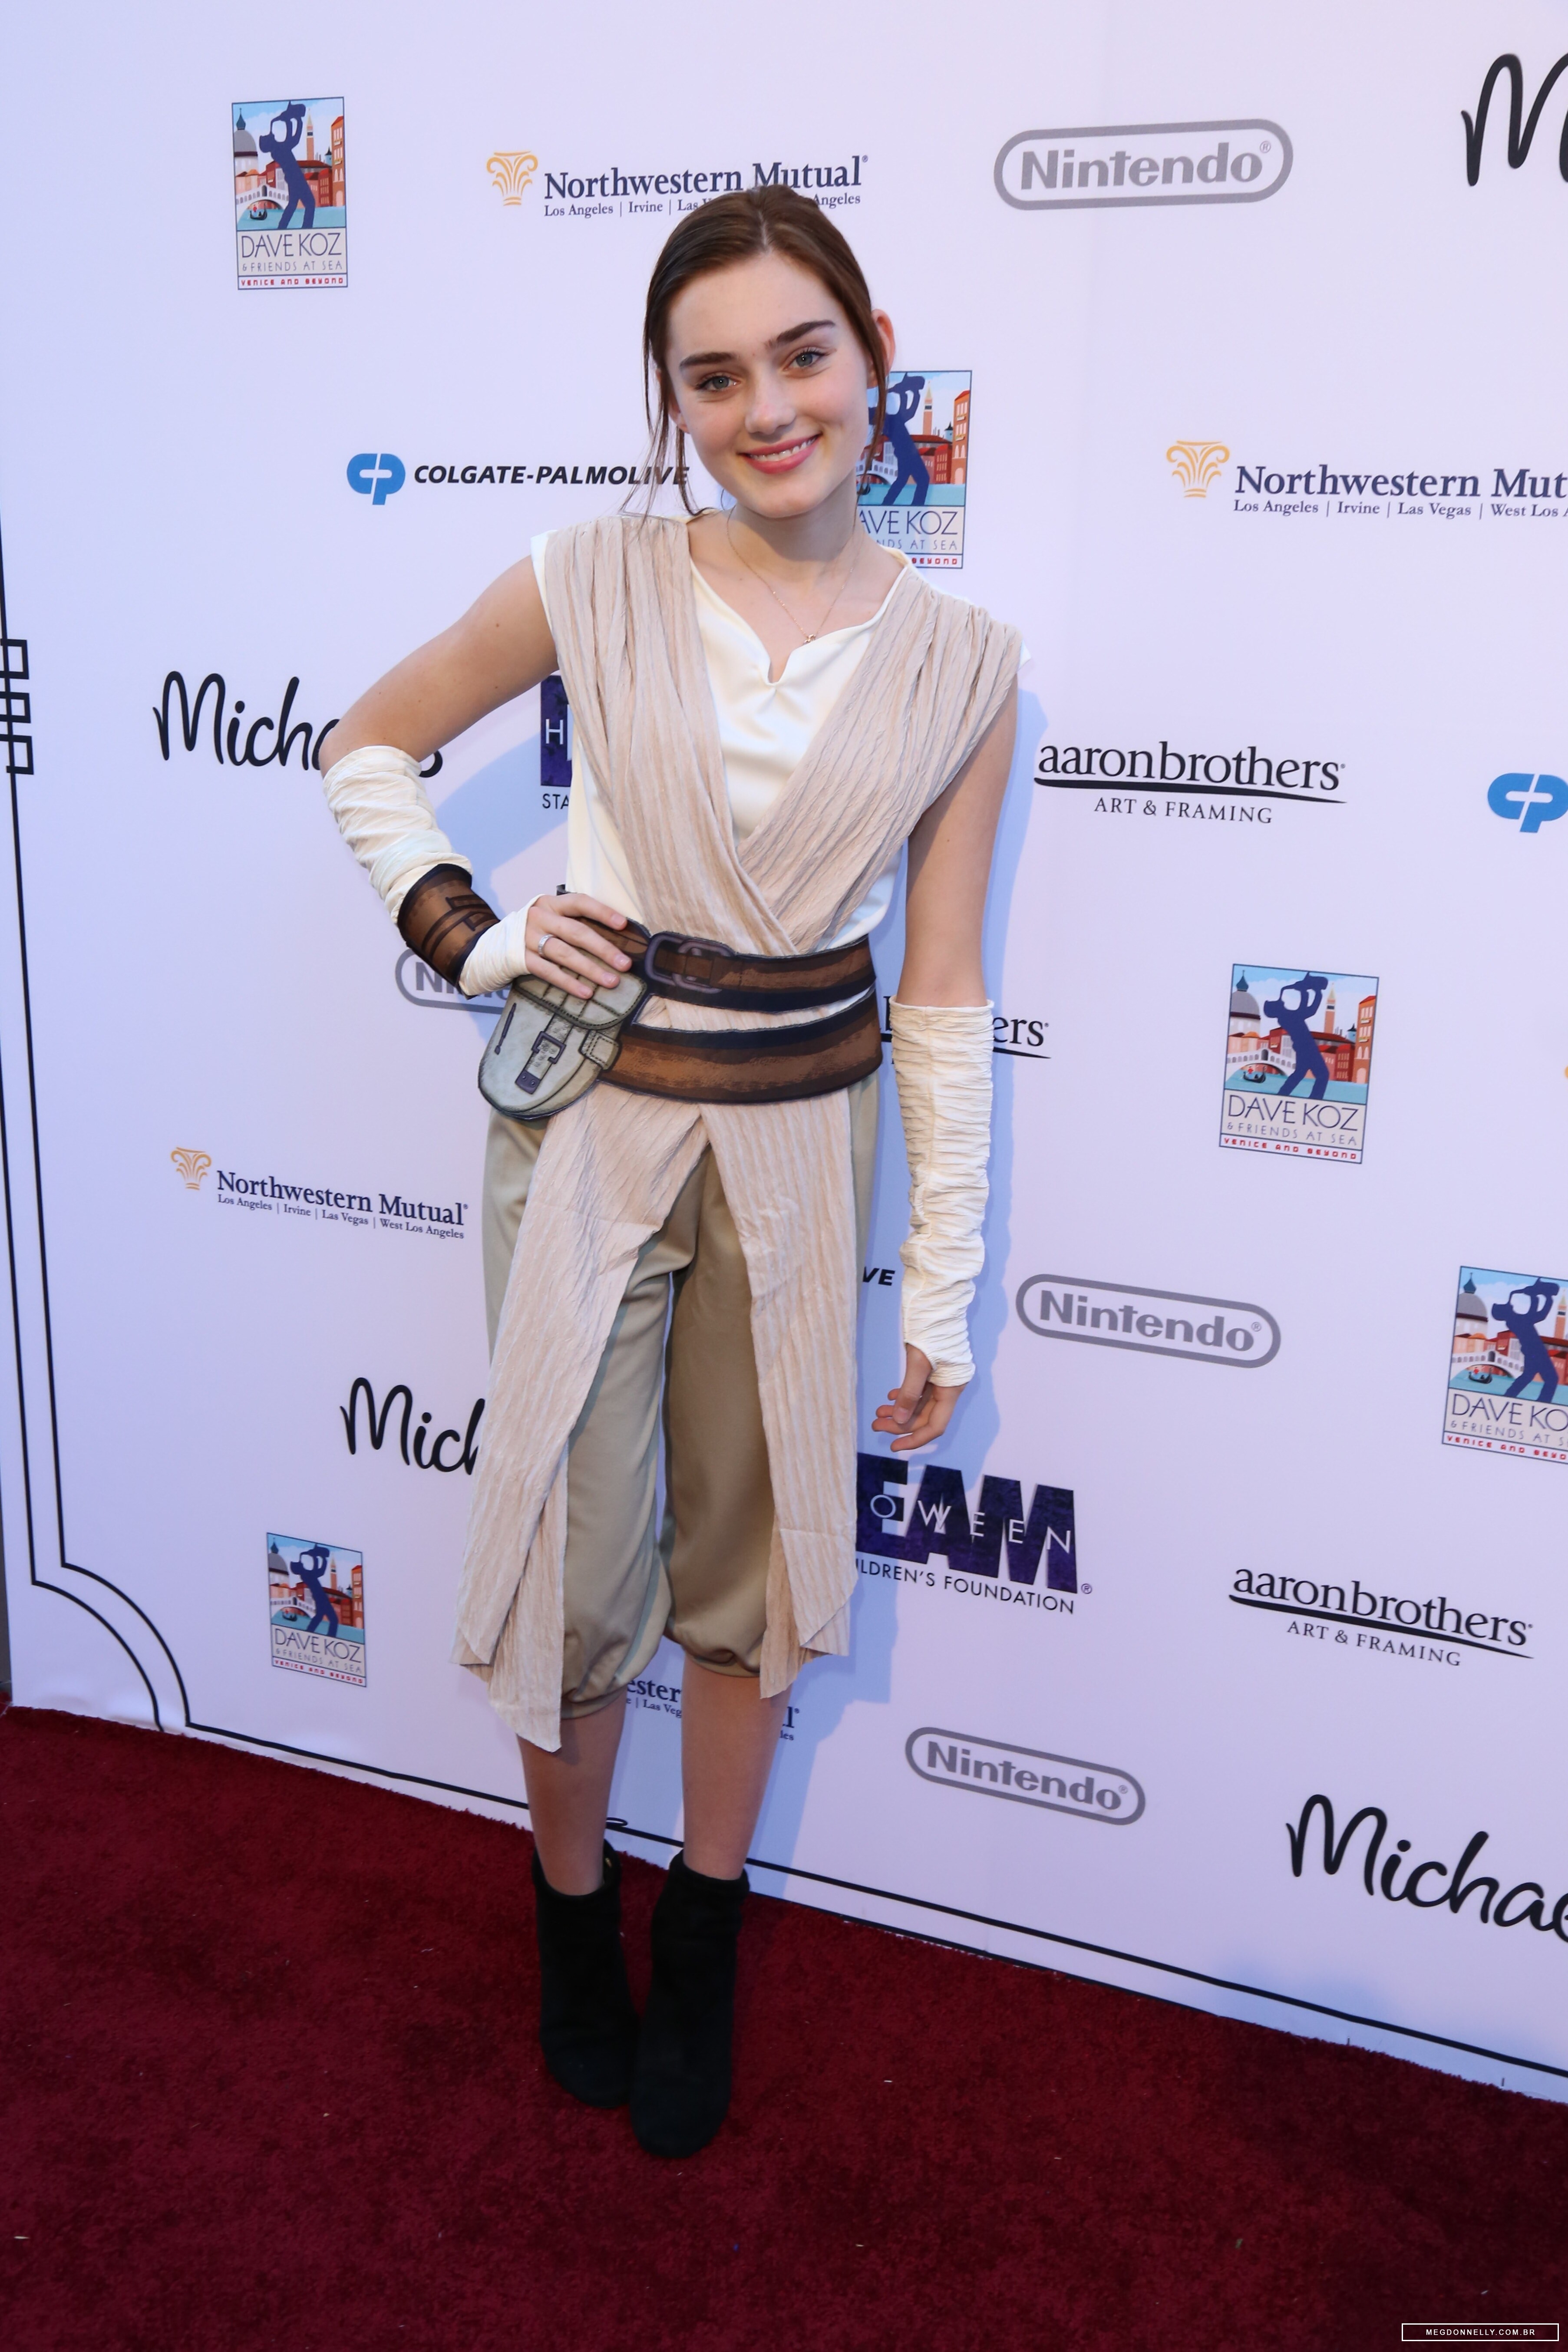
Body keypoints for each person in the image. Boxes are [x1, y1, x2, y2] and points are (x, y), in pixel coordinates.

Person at [322, 185, 1020, 2158]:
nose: (767, 409)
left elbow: (940, 988)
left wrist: (941, 1283)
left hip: (804, 1140)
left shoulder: (966, 662)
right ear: (673, 399)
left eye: (802, 356)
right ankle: (572, 1918)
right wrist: (471, 930)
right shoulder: (590, 573)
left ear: (875, 355)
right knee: (569, 1555)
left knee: (756, 1562)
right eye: (714, 378)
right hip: (592, 1136)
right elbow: (368, 745)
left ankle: (698, 1930)